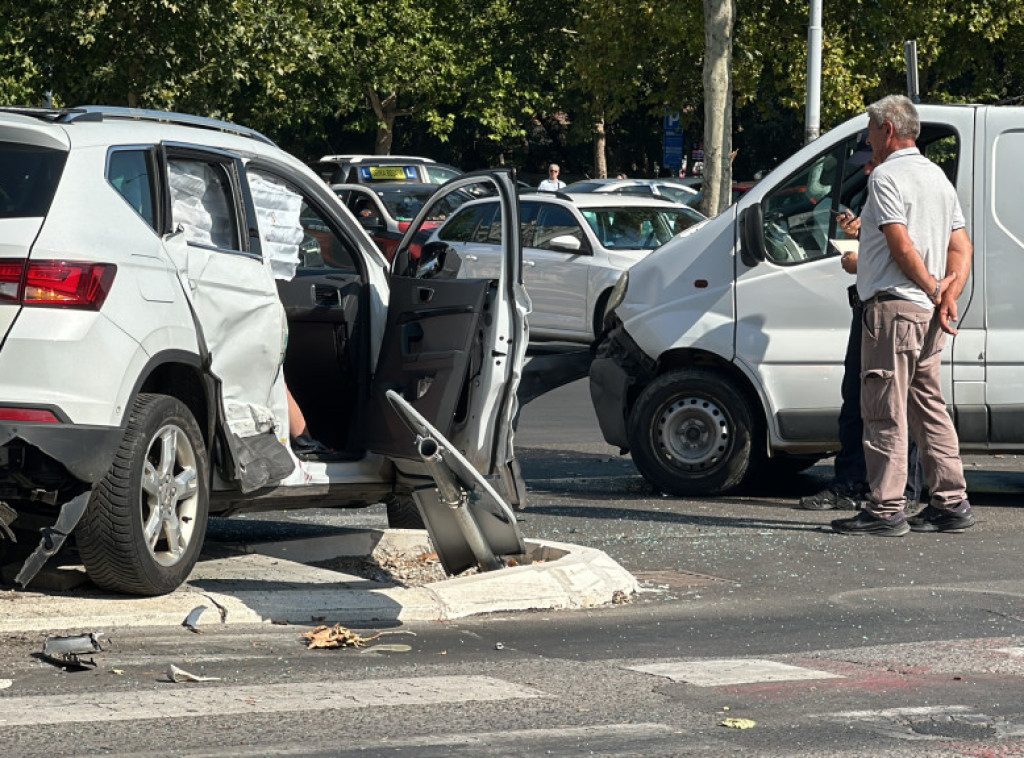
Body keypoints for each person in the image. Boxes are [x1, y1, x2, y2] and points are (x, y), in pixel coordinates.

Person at [832, 94, 974, 536]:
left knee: (884, 409)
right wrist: (948, 293)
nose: (867, 139)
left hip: (894, 309)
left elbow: (900, 243)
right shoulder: (936, 176)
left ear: (888, 130)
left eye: (870, 130)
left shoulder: (886, 176)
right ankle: (951, 501)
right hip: (928, 313)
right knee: (929, 407)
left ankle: (885, 507)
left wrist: (933, 287)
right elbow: (961, 246)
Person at [799, 156, 924, 511]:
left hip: (893, 305)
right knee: (864, 398)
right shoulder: (893, 184)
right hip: (879, 305)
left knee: (890, 401)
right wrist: (860, 234)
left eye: (870, 160)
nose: (866, 169)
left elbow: (906, 249)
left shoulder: (896, 184)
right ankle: (864, 484)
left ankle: (897, 491)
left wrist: (861, 261)